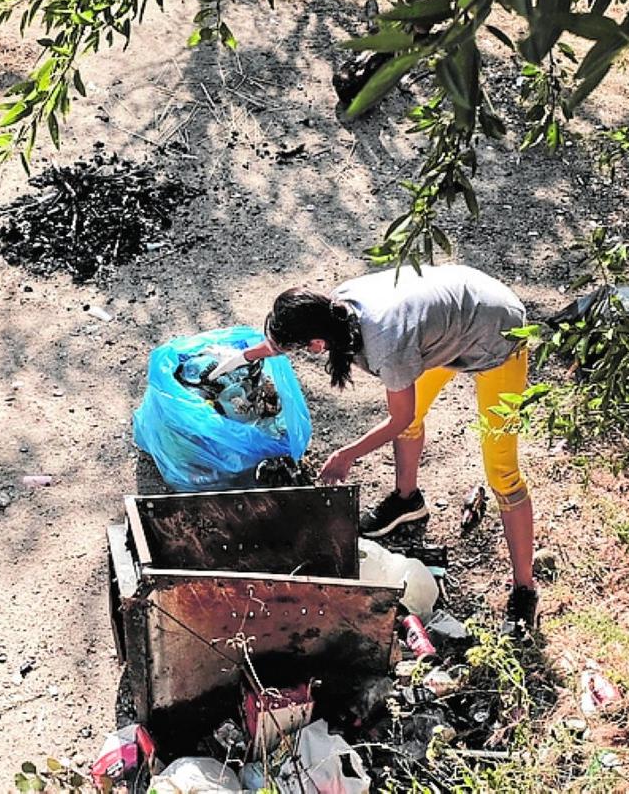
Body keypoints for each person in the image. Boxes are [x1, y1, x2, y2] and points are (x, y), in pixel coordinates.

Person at [211, 264, 538, 632]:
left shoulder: (387, 344)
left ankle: (525, 588)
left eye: (302, 348)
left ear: (317, 344)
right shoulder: (333, 310)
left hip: (499, 331)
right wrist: (253, 355)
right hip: (455, 316)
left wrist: (345, 456)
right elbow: (291, 336)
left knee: (502, 473)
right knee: (411, 420)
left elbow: (399, 419)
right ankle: (406, 501)